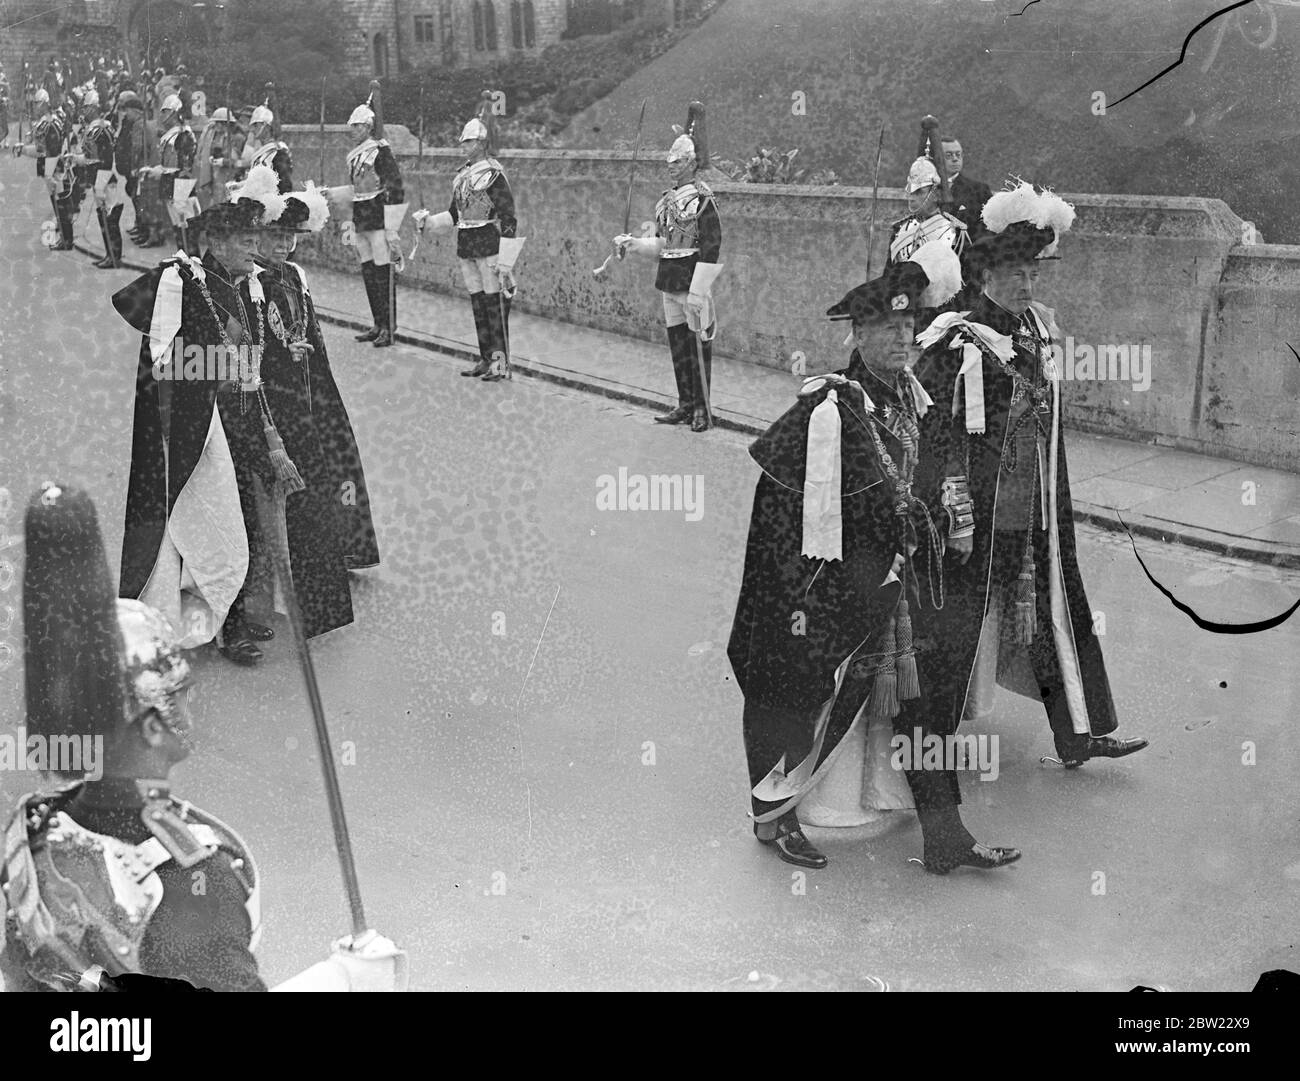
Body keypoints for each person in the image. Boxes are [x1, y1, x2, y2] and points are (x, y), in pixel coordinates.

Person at [1, 483, 406, 993]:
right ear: (153, 723)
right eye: (183, 693)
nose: (191, 704)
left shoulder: (34, 819)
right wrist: (344, 980)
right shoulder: (196, 883)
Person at [728, 241, 1020, 874]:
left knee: (926, 707)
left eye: (909, 325)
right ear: (857, 335)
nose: (902, 337)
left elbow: (941, 474)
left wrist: (948, 518)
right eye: (887, 327)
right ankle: (771, 817)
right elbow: (785, 506)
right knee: (811, 696)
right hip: (837, 593)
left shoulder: (913, 401)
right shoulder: (830, 409)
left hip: (901, 585)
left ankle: (947, 838)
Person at [913, 180, 1149, 769]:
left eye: (1032, 273)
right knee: (958, 625)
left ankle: (1078, 732)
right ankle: (927, 748)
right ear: (986, 275)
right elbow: (933, 430)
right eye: (1014, 273)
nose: (1025, 283)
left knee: (1052, 615)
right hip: (978, 511)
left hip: (1035, 505)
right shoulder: (957, 340)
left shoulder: (1037, 331)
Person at [113, 198, 281, 667]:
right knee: (216, 527)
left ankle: (230, 615)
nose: (256, 246)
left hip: (238, 424)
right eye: (246, 239)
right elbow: (167, 362)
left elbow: (248, 361)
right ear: (218, 242)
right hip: (202, 431)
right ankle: (220, 628)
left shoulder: (245, 285)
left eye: (256, 238)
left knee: (242, 522)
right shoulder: (185, 282)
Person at [253, 175, 381, 571]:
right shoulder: (252, 280)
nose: (283, 244)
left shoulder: (295, 274)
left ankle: (342, 543)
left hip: (310, 379)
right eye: (275, 235)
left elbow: (308, 326)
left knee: (334, 457)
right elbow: (255, 335)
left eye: (289, 236)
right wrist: (280, 353)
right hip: (275, 387)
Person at [613, 102, 722, 432]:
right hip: (668, 280)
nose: (672, 168)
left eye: (678, 163)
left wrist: (699, 291)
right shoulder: (665, 202)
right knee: (678, 347)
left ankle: (703, 409)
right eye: (670, 163)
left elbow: (712, 247)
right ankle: (685, 403)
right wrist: (632, 244)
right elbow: (663, 244)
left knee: (698, 347)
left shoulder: (703, 200)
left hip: (692, 283)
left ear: (691, 164)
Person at [412, 105, 522, 382]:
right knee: (478, 305)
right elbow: (454, 215)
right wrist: (429, 223)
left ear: (483, 143)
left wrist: (506, 259)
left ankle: (499, 363)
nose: (464, 146)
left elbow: (509, 216)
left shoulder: (494, 174)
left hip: (488, 243)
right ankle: (485, 358)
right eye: (463, 141)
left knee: (494, 306)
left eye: (470, 141)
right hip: (467, 244)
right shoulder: (461, 176)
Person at [334, 93, 406, 348]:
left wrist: (392, 224)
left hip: (377, 215)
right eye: (352, 126)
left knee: (383, 272)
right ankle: (377, 323)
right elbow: (356, 189)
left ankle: (389, 325)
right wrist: (329, 194)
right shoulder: (354, 155)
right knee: (368, 271)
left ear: (368, 127)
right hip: (361, 216)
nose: (352, 130)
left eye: (357, 126)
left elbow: (395, 187)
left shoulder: (380, 151)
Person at [155, 93, 197, 251]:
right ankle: (184, 266)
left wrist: (181, 195)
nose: (163, 115)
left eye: (166, 111)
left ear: (174, 112)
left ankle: (193, 269)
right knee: (178, 230)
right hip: (170, 184)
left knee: (186, 230)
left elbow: (185, 168)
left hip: (180, 186)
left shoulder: (183, 134)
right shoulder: (171, 133)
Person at [941, 137, 992, 239]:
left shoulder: (979, 190)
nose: (955, 158)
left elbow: (989, 228)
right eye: (949, 155)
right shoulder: (926, 188)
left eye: (958, 154)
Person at [195, 105, 241, 210]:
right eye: (217, 123)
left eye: (221, 123)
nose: (218, 126)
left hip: (231, 177)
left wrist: (223, 162)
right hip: (217, 177)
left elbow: (238, 161)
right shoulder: (215, 136)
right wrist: (212, 159)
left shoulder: (236, 137)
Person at [247, 101, 292, 192]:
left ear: (266, 127)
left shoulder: (277, 152)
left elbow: (284, 184)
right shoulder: (262, 151)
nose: (252, 129)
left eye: (256, 125)